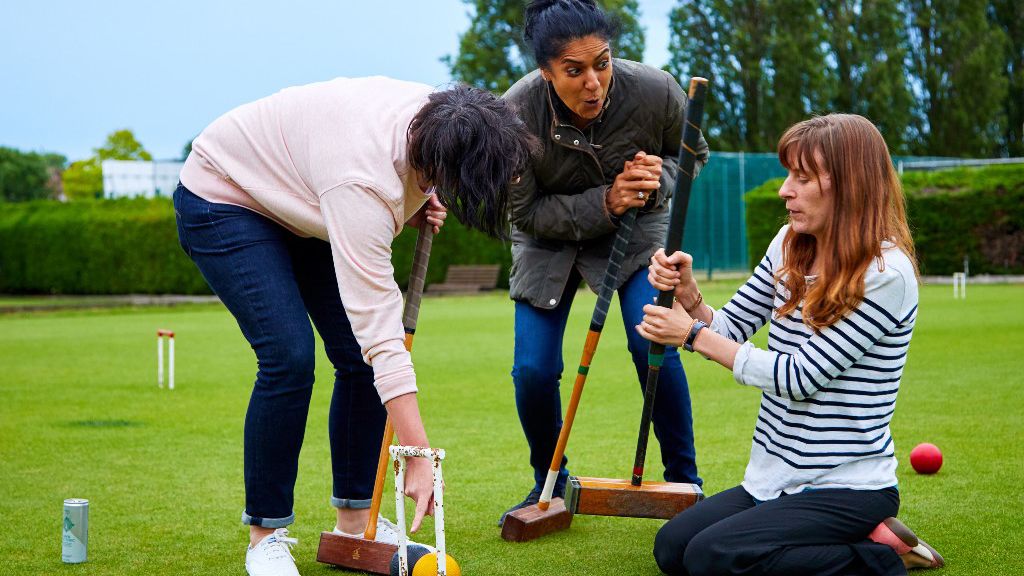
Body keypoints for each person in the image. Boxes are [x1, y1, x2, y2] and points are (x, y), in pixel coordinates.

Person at [174, 77, 533, 576]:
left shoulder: (445, 115)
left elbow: (408, 176)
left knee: (354, 358)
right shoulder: (362, 185)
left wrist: (418, 192)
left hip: (306, 199)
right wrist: (418, 453)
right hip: (228, 195)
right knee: (289, 357)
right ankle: (265, 536)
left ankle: (354, 519)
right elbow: (381, 333)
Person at [638, 113, 944, 575]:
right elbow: (732, 327)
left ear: (850, 186)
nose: (785, 190)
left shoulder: (887, 274)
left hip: (848, 486)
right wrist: (689, 296)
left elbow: (799, 377)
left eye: (802, 178)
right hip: (775, 475)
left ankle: (877, 558)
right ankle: (863, 542)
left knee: (710, 557)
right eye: (789, 175)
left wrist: (690, 335)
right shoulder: (788, 243)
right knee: (673, 548)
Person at [498, 0, 709, 524]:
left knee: (651, 340)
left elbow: (692, 156)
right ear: (546, 72)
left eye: (603, 63)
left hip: (636, 232)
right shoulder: (514, 114)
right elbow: (522, 213)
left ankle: (686, 481)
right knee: (533, 369)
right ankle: (548, 481)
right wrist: (606, 200)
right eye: (574, 71)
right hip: (547, 240)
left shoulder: (656, 90)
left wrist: (657, 179)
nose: (593, 82)